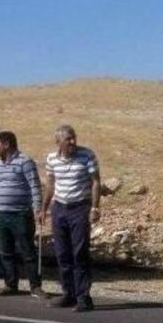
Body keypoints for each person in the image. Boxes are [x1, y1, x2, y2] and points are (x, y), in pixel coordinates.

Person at [43, 125, 101, 312]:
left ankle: (84, 297)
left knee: (79, 253)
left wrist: (94, 207)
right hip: (59, 208)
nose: (72, 142)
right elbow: (50, 184)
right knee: (62, 253)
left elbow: (95, 181)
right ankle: (69, 293)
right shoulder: (52, 159)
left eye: (73, 137)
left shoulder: (87, 155)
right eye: (68, 139)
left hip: (80, 208)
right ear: (58, 141)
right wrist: (43, 209)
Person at [0, 131, 46, 299]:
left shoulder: (25, 161)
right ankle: (10, 284)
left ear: (6, 144)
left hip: (21, 214)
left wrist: (38, 209)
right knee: (4, 251)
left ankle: (35, 286)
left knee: (27, 251)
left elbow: (35, 186)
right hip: (1, 213)